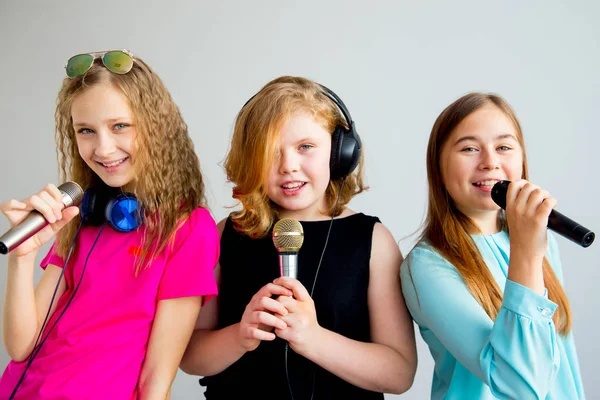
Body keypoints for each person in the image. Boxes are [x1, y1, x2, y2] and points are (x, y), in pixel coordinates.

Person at [0, 50, 220, 399]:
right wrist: (22, 258)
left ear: (155, 125)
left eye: (120, 126)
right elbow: (21, 346)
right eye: (86, 130)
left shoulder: (188, 229)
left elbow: (156, 382)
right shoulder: (81, 215)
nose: (103, 148)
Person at [181, 76, 417, 399]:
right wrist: (240, 336)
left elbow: (400, 372)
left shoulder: (374, 241)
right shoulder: (224, 235)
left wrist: (314, 339)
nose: (288, 166)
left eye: (305, 147)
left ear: (339, 153)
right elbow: (190, 354)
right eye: (270, 152)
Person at [400, 92, 585, 399]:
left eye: (503, 147)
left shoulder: (541, 241)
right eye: (470, 149)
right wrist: (527, 253)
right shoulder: (427, 265)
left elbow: (561, 367)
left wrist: (530, 245)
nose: (490, 162)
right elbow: (520, 386)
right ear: (439, 166)